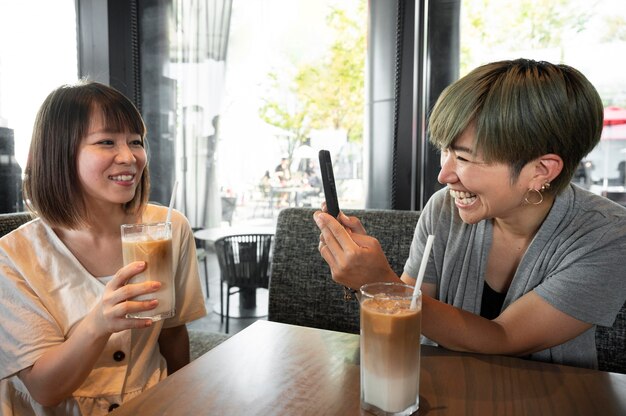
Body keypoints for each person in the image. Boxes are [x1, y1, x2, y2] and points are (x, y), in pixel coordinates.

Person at [314, 58, 626, 370]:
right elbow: (401, 321)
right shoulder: (444, 209)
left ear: (541, 171)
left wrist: (381, 280)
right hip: (441, 390)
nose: (444, 174)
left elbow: (505, 337)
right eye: (445, 150)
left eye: (463, 156)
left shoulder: (605, 236)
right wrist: (364, 280)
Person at [0, 81, 207, 414]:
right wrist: (98, 324)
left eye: (136, 142)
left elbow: (172, 332)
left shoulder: (168, 228)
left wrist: (184, 399)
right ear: (60, 151)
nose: (129, 157)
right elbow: (44, 389)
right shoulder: (12, 257)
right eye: (106, 141)